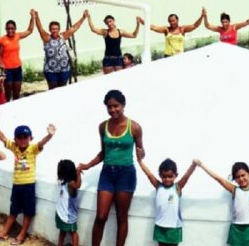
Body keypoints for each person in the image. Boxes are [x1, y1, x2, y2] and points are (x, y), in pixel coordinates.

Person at [77, 90, 145, 246]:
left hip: (126, 174)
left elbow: (141, 152)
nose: (113, 110)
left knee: (122, 217)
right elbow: (103, 153)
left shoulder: (134, 127)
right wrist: (87, 165)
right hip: (107, 174)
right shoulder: (103, 127)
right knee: (101, 216)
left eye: (116, 106)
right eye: (109, 107)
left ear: (123, 105)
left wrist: (142, 153)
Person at [0, 114, 56, 244]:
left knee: (28, 211)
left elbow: (41, 143)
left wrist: (49, 136)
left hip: (28, 185)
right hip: (17, 184)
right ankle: (4, 233)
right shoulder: (15, 148)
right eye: (19, 137)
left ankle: (22, 235)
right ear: (15, 139)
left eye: (25, 137)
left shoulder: (33, 149)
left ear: (30, 138)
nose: (23, 140)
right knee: (13, 210)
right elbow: (2, 138)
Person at [137, 157, 197, 246]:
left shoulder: (177, 188)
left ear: (175, 175)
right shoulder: (158, 186)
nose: (167, 179)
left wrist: (193, 165)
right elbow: (149, 174)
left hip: (174, 227)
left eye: (170, 176)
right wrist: (140, 162)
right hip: (160, 226)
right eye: (164, 176)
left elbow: (186, 176)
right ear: (160, 175)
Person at [34, 10, 87, 89]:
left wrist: (83, 18)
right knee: (53, 90)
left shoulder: (63, 36)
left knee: (62, 89)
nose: (54, 30)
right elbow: (40, 29)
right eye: (52, 29)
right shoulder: (47, 38)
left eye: (56, 29)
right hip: (50, 70)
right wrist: (36, 17)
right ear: (49, 30)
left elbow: (74, 28)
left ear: (59, 29)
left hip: (64, 69)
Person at [0, 11, 35, 102]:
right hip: (7, 70)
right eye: (8, 28)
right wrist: (1, 64)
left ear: (15, 29)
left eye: (12, 28)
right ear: (6, 29)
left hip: (17, 68)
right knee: (8, 92)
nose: (10, 30)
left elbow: (29, 31)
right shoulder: (2, 40)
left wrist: (32, 17)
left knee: (17, 93)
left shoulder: (18, 36)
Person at [56, 159, 82, 246]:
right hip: (63, 213)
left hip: (66, 214)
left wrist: (77, 175)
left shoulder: (67, 183)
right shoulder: (64, 182)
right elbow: (77, 185)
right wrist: (77, 173)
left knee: (70, 232)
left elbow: (77, 186)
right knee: (67, 231)